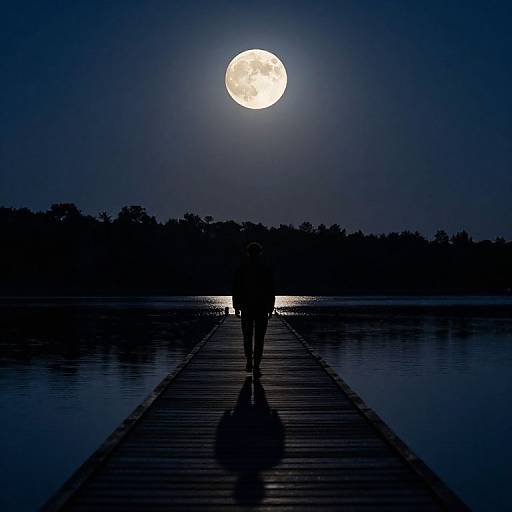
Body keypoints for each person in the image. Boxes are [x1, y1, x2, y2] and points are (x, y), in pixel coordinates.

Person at [233, 242, 275, 373]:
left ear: (248, 253)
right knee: (259, 338)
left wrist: (236, 306)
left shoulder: (242, 268)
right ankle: (255, 364)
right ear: (259, 253)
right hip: (260, 308)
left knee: (247, 336)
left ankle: (250, 362)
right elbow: (271, 290)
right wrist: (271, 307)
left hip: (247, 308)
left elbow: (236, 289)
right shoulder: (265, 269)